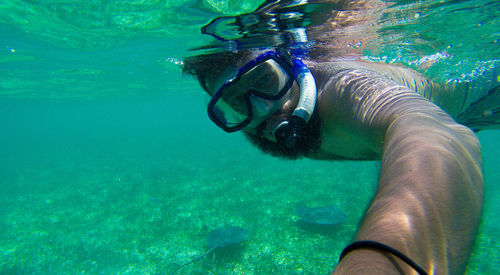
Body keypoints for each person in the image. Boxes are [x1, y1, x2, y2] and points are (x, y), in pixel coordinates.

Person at [182, 1, 498, 274]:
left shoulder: (346, 89)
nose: (264, 109)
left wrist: (391, 262)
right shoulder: (284, 113)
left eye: (266, 79)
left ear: (292, 67)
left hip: (485, 99)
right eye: (238, 102)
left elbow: (436, 136)